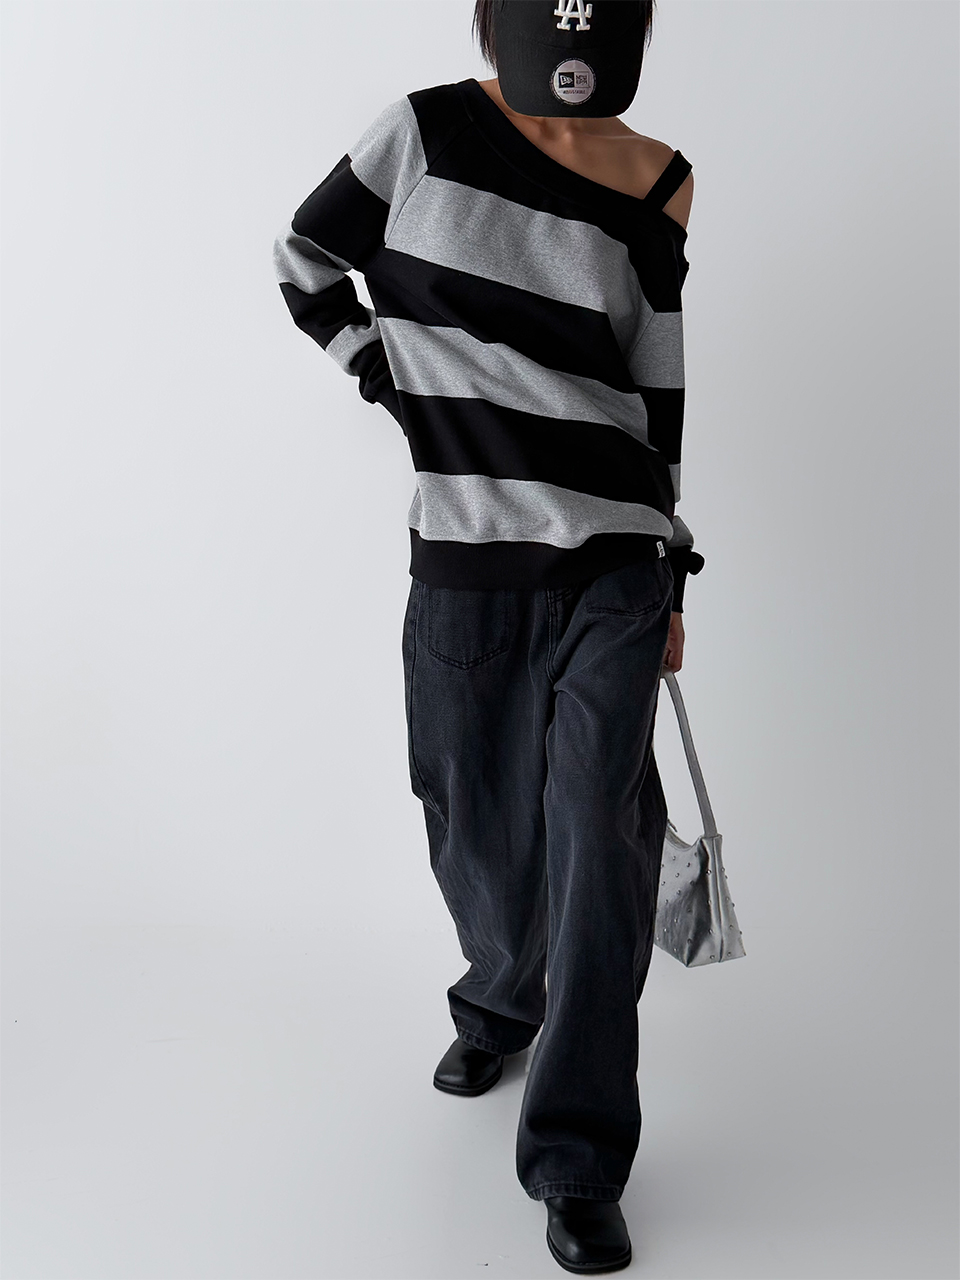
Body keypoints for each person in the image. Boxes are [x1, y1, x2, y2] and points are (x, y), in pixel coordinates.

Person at [273, 1, 704, 1271]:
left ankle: (576, 1154)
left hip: (616, 559)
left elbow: (657, 384)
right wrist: (395, 384)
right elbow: (304, 258)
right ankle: (502, 996)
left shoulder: (661, 178)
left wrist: (674, 569)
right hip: (465, 553)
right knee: (474, 821)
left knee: (599, 839)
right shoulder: (420, 134)